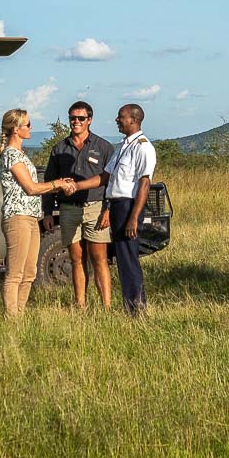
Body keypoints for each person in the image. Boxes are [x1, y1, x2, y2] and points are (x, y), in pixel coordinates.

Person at [0, 107, 72, 318]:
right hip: (17, 217)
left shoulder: (21, 154)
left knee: (29, 272)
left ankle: (19, 313)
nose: (31, 128)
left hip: (30, 217)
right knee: (15, 273)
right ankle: (12, 318)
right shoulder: (11, 155)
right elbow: (31, 188)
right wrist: (58, 184)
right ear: (16, 129)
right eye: (27, 124)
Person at [43, 100, 114, 310]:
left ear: (89, 120)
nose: (76, 122)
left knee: (99, 258)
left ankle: (106, 307)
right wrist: (47, 212)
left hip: (96, 207)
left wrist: (108, 209)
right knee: (76, 258)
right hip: (68, 209)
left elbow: (111, 181)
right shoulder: (59, 148)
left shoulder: (103, 147)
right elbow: (49, 181)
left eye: (81, 118)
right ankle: (80, 305)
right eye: (72, 118)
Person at [99, 102, 156, 316]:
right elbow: (105, 177)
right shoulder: (123, 146)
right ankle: (129, 305)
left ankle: (136, 308)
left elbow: (144, 183)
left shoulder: (143, 147)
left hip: (128, 206)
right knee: (122, 258)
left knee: (129, 257)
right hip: (116, 206)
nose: (117, 120)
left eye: (120, 116)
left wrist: (133, 217)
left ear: (133, 119)